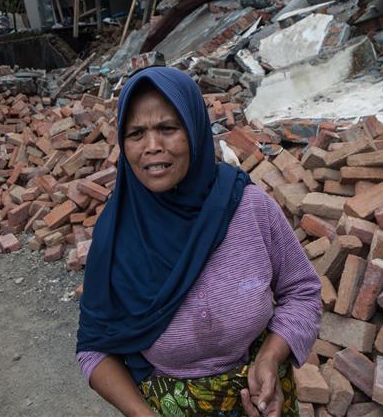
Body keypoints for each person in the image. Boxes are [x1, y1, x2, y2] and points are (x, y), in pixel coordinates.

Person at [77, 66, 322, 416]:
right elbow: (93, 348)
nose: (152, 147)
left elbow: (302, 291)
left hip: (260, 403)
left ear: (193, 130)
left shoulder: (247, 207)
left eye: (167, 128)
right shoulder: (115, 234)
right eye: (136, 133)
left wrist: (270, 359)